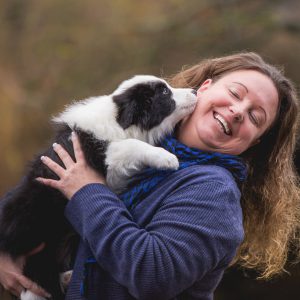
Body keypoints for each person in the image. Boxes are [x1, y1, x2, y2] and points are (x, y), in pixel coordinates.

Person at [0, 52, 299, 300]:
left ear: (253, 142)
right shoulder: (141, 150)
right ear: (205, 87)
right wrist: (7, 250)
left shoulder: (213, 191)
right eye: (235, 93)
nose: (237, 111)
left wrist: (88, 192)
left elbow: (152, 275)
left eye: (254, 117)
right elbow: (34, 191)